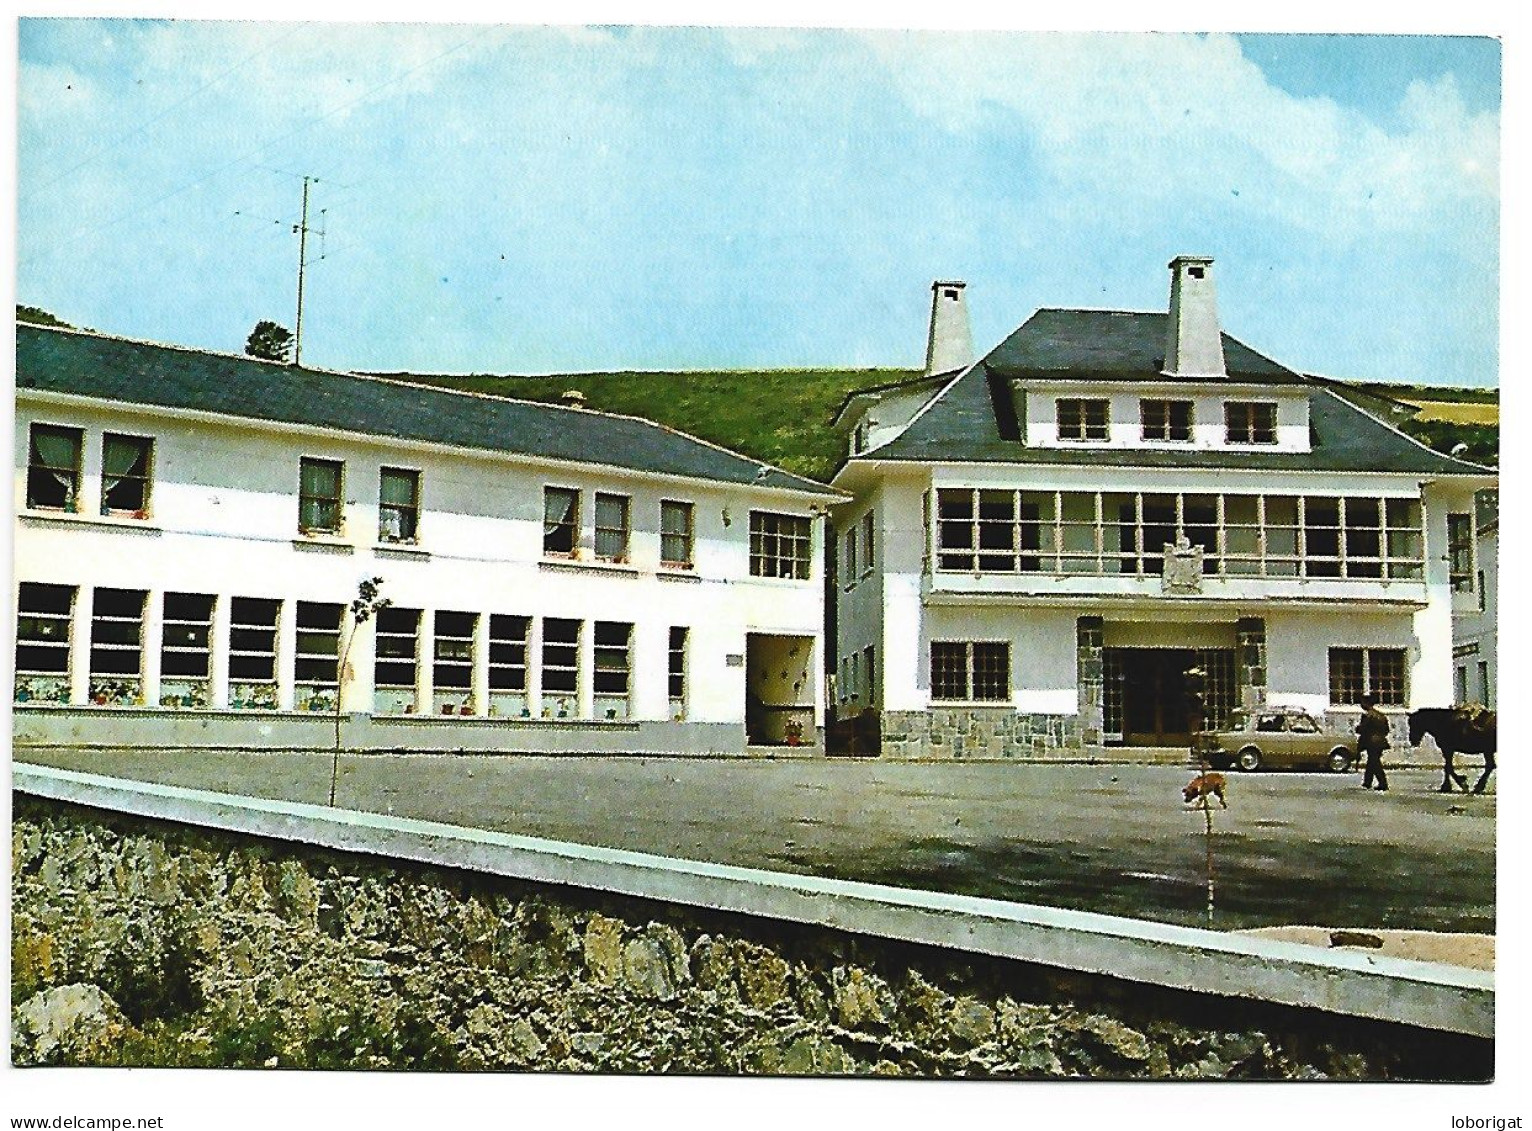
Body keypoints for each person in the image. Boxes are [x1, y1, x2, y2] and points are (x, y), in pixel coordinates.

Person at [1356, 693, 1390, 791]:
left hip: (1371, 742)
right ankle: (1368, 781)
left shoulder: (1368, 716)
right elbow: (1386, 730)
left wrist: (1358, 729)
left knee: (1374, 763)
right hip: (1380, 742)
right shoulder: (1381, 715)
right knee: (1371, 762)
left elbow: (1362, 730)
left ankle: (1383, 783)